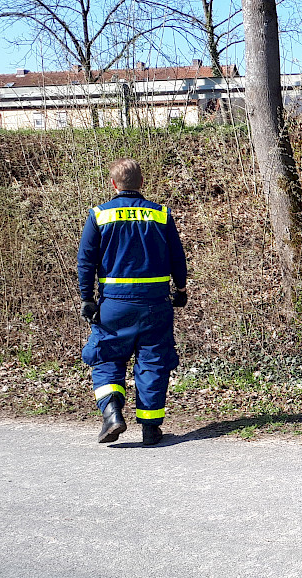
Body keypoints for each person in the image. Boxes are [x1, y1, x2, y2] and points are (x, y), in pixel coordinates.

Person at [77, 159, 187, 446]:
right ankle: (150, 428)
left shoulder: (99, 215)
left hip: (115, 303)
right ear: (141, 183)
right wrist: (182, 288)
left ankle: (113, 414)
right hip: (155, 303)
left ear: (114, 184)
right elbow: (177, 256)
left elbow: (86, 260)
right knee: (153, 361)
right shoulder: (161, 214)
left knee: (107, 357)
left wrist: (86, 297)